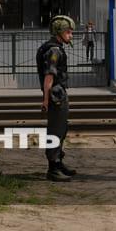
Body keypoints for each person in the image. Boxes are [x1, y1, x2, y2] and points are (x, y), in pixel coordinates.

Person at [36, 15, 77, 182]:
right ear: (59, 32)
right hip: (55, 96)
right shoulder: (54, 50)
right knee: (55, 131)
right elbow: (49, 77)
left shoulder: (54, 48)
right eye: (68, 32)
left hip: (58, 94)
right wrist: (46, 100)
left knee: (61, 129)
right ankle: (53, 168)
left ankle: (58, 163)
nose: (71, 36)